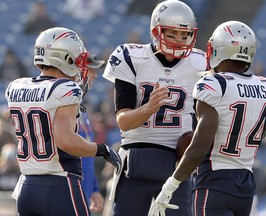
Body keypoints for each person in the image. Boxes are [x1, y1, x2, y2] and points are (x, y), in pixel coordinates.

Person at [148, 20, 266, 216]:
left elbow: (200, 145)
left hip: (215, 182)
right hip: (246, 184)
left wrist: (170, 185)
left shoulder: (214, 84)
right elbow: (262, 130)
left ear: (218, 49)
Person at [102, 0, 207, 215]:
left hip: (177, 163)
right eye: (172, 34)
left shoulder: (200, 63)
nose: (179, 40)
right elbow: (124, 121)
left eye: (184, 35)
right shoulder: (132, 57)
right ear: (156, 31)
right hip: (135, 161)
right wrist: (148, 108)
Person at [5, 27, 121, 216]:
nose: (81, 67)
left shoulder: (17, 86)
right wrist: (102, 150)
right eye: (78, 60)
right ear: (66, 58)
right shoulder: (66, 89)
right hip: (59, 186)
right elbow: (65, 141)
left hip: (27, 187)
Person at [79, 54, 106, 214]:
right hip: (66, 193)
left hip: (83, 194)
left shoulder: (80, 109)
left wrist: (94, 188)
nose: (95, 75)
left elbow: (86, 158)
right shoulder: (62, 107)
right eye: (90, 70)